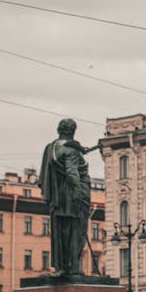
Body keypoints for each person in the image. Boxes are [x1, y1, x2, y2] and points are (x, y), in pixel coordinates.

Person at [38, 118, 92, 276]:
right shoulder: (71, 150)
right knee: (76, 231)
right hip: (72, 197)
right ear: (73, 131)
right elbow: (72, 172)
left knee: (61, 233)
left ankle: (62, 267)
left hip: (57, 197)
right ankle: (73, 268)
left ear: (58, 130)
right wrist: (77, 194)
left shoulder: (51, 148)